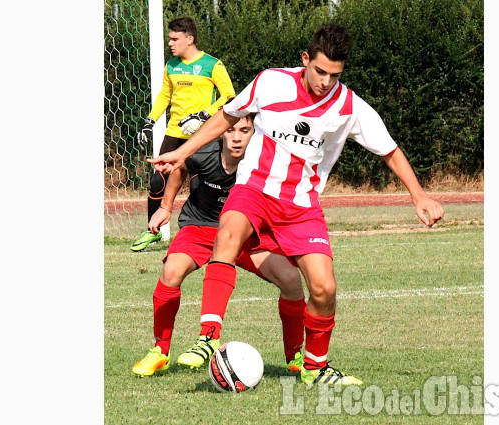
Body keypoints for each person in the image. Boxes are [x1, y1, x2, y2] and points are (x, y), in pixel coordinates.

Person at [147, 24, 445, 386]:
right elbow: (227, 114)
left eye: (334, 75)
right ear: (305, 60)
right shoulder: (270, 82)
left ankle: (315, 368)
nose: (325, 81)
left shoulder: (348, 106)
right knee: (228, 233)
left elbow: (389, 150)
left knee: (324, 288)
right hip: (254, 188)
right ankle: (209, 337)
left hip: (301, 205)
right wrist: (180, 151)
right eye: (320, 71)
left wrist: (419, 195)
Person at [132, 115, 306, 377]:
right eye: (231, 130)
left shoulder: (264, 159)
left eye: (245, 131)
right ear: (222, 133)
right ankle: (160, 351)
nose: (237, 138)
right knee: (171, 272)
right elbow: (180, 167)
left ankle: (295, 356)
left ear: (255, 133)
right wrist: (166, 207)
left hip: (246, 233)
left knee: (292, 279)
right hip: (201, 226)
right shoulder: (203, 153)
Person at [131, 17, 236, 252]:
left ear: (190, 39)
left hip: (202, 135)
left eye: (175, 39)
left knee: (200, 185)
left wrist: (203, 115)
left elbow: (229, 96)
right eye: (170, 38)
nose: (170, 43)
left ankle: (205, 232)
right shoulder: (172, 65)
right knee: (158, 181)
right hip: (174, 133)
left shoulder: (212, 64)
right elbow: (164, 97)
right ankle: (152, 232)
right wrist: (149, 121)